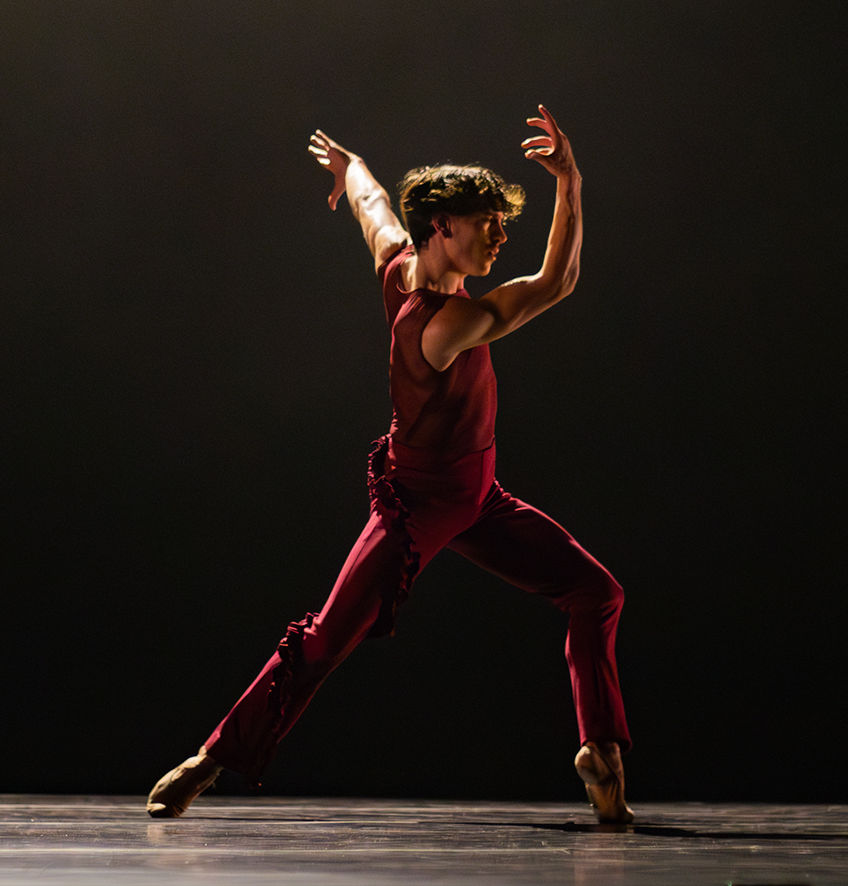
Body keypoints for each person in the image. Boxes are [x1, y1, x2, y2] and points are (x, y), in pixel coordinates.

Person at [145, 106, 634, 823]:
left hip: (479, 496)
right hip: (418, 506)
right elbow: (557, 281)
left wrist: (351, 168)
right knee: (326, 637)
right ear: (443, 226)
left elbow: (371, 206)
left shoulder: (399, 260)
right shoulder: (447, 325)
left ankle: (600, 751)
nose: (500, 238)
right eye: (488, 225)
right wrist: (572, 182)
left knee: (597, 593)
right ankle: (210, 759)